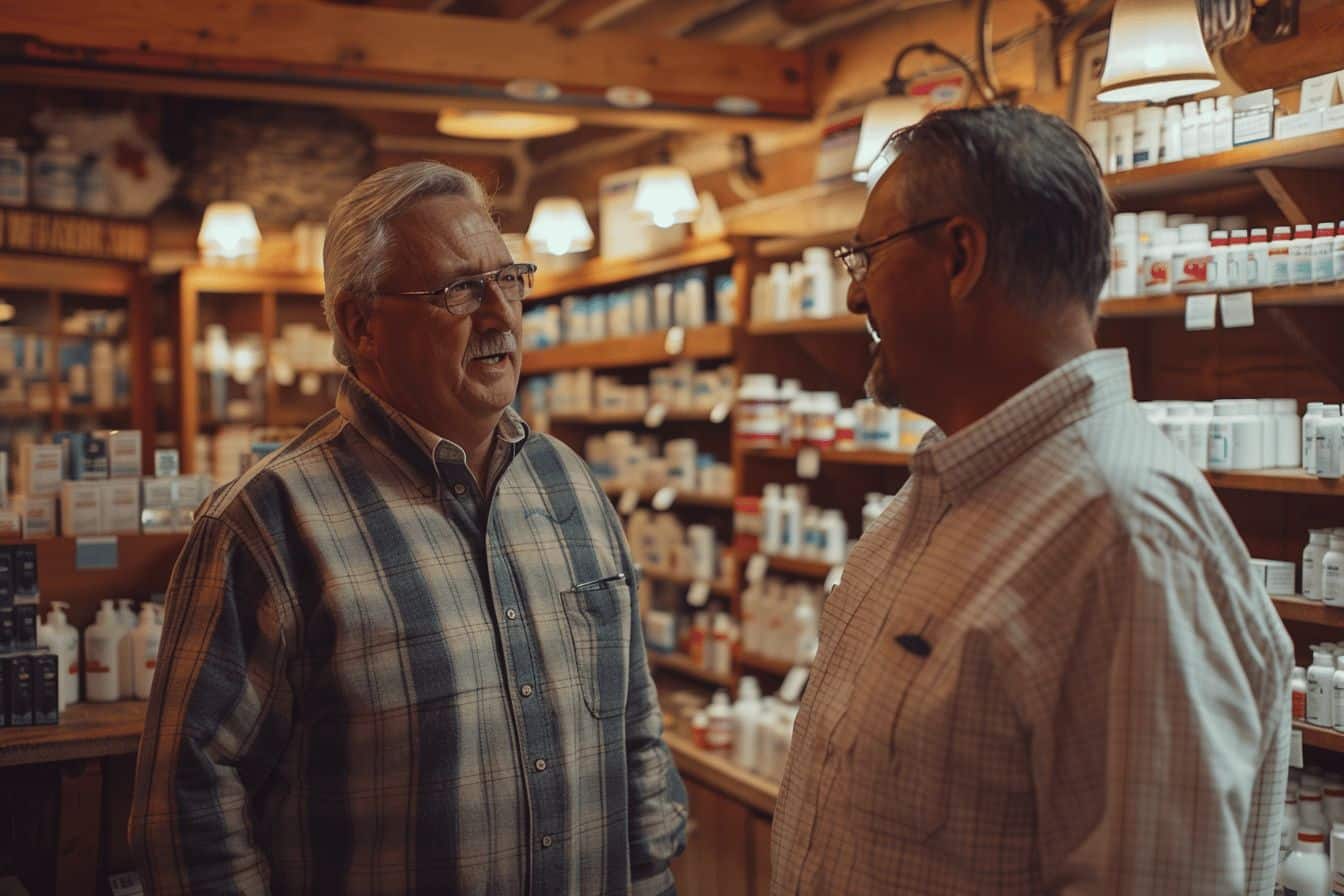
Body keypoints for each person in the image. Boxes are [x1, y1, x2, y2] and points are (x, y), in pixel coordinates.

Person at [771, 106, 1293, 894]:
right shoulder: (948, 491)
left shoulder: (1126, 536)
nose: (854, 298)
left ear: (959, 257)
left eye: (865, 256)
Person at [130, 161, 687, 895]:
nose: (500, 314)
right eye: (458, 289)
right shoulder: (267, 522)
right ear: (361, 326)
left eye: (509, 278)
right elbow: (188, 806)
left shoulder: (571, 487)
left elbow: (635, 727)